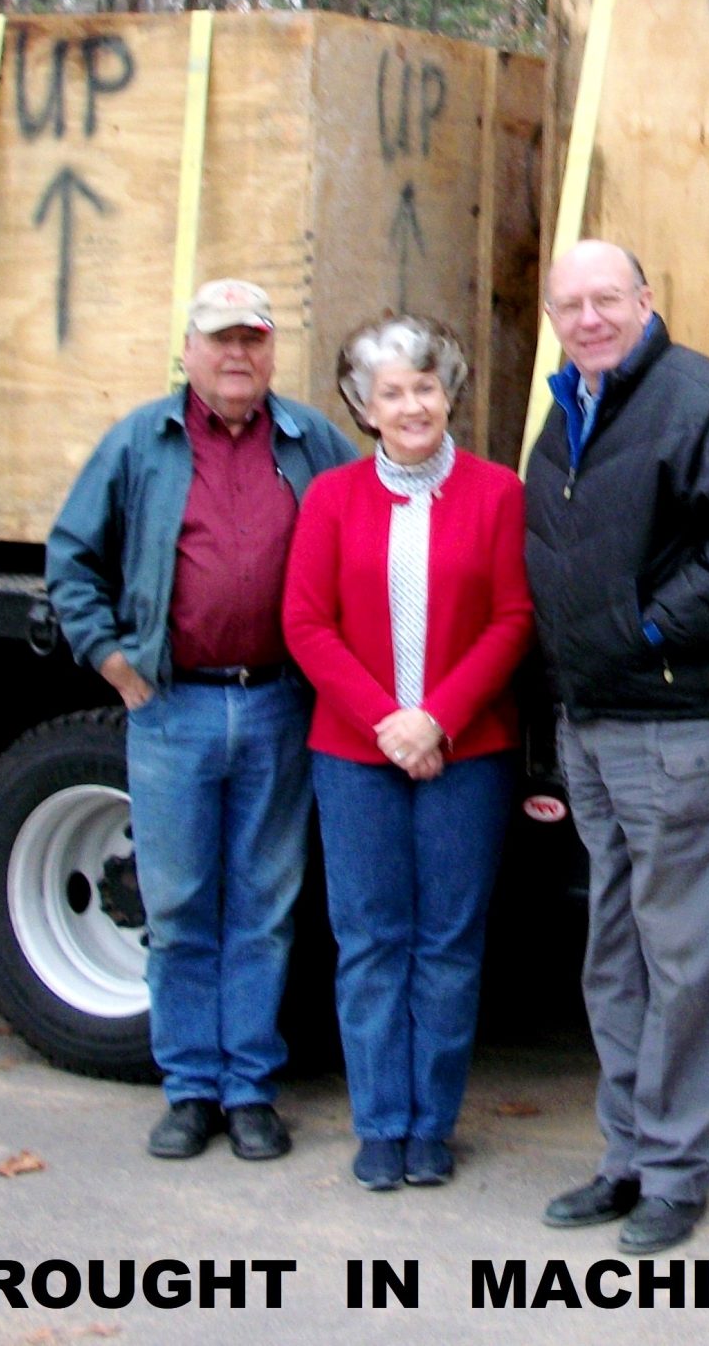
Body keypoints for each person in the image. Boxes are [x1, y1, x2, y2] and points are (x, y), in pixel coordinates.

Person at [523, 239, 709, 1255]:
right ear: (553, 317)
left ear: (647, 299)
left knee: (688, 963)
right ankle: (627, 1156)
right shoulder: (570, 408)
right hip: (597, 725)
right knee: (617, 957)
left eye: (607, 298)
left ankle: (676, 1173)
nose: (589, 318)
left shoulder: (697, 398)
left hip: (687, 725)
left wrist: (647, 630)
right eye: (570, 304)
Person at [45, 277, 354, 1163]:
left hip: (279, 703)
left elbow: (364, 529)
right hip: (172, 707)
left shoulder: (311, 441)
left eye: (252, 339)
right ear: (188, 351)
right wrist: (110, 658)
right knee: (179, 907)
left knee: (263, 907)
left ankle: (249, 1089)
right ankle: (188, 1089)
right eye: (220, 339)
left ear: (271, 351)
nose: (237, 355)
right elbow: (71, 556)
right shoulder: (140, 442)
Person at [282, 314, 532, 1192]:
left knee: (449, 944)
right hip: (356, 756)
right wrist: (388, 721)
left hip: (470, 754)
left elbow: (514, 620)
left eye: (425, 386)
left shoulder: (499, 494)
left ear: (448, 393)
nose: (412, 405)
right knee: (369, 941)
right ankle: (381, 1122)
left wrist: (439, 720)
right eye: (391, 392)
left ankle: (431, 1125)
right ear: (364, 406)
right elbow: (305, 623)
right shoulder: (331, 498)